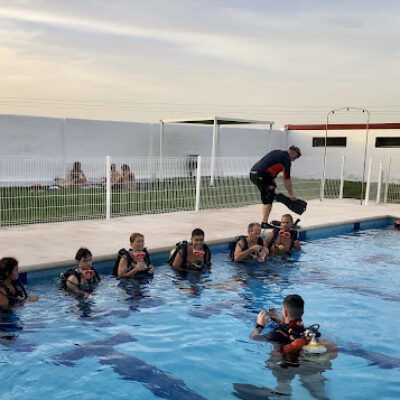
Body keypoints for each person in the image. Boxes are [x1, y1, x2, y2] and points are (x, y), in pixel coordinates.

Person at [247, 294, 337, 399]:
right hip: (308, 365)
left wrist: (259, 325)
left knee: (283, 387)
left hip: (286, 367)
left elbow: (253, 337)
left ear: (284, 313)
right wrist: (281, 320)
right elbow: (293, 328)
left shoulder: (276, 334)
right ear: (302, 313)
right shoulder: (308, 332)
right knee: (318, 389)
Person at [250, 146, 301, 229]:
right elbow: (286, 179)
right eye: (294, 158)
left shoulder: (277, 151)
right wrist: (291, 194)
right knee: (268, 198)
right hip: (261, 176)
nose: (294, 160)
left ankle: (275, 196)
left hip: (254, 173)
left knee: (271, 191)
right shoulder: (286, 160)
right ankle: (264, 223)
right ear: (292, 153)